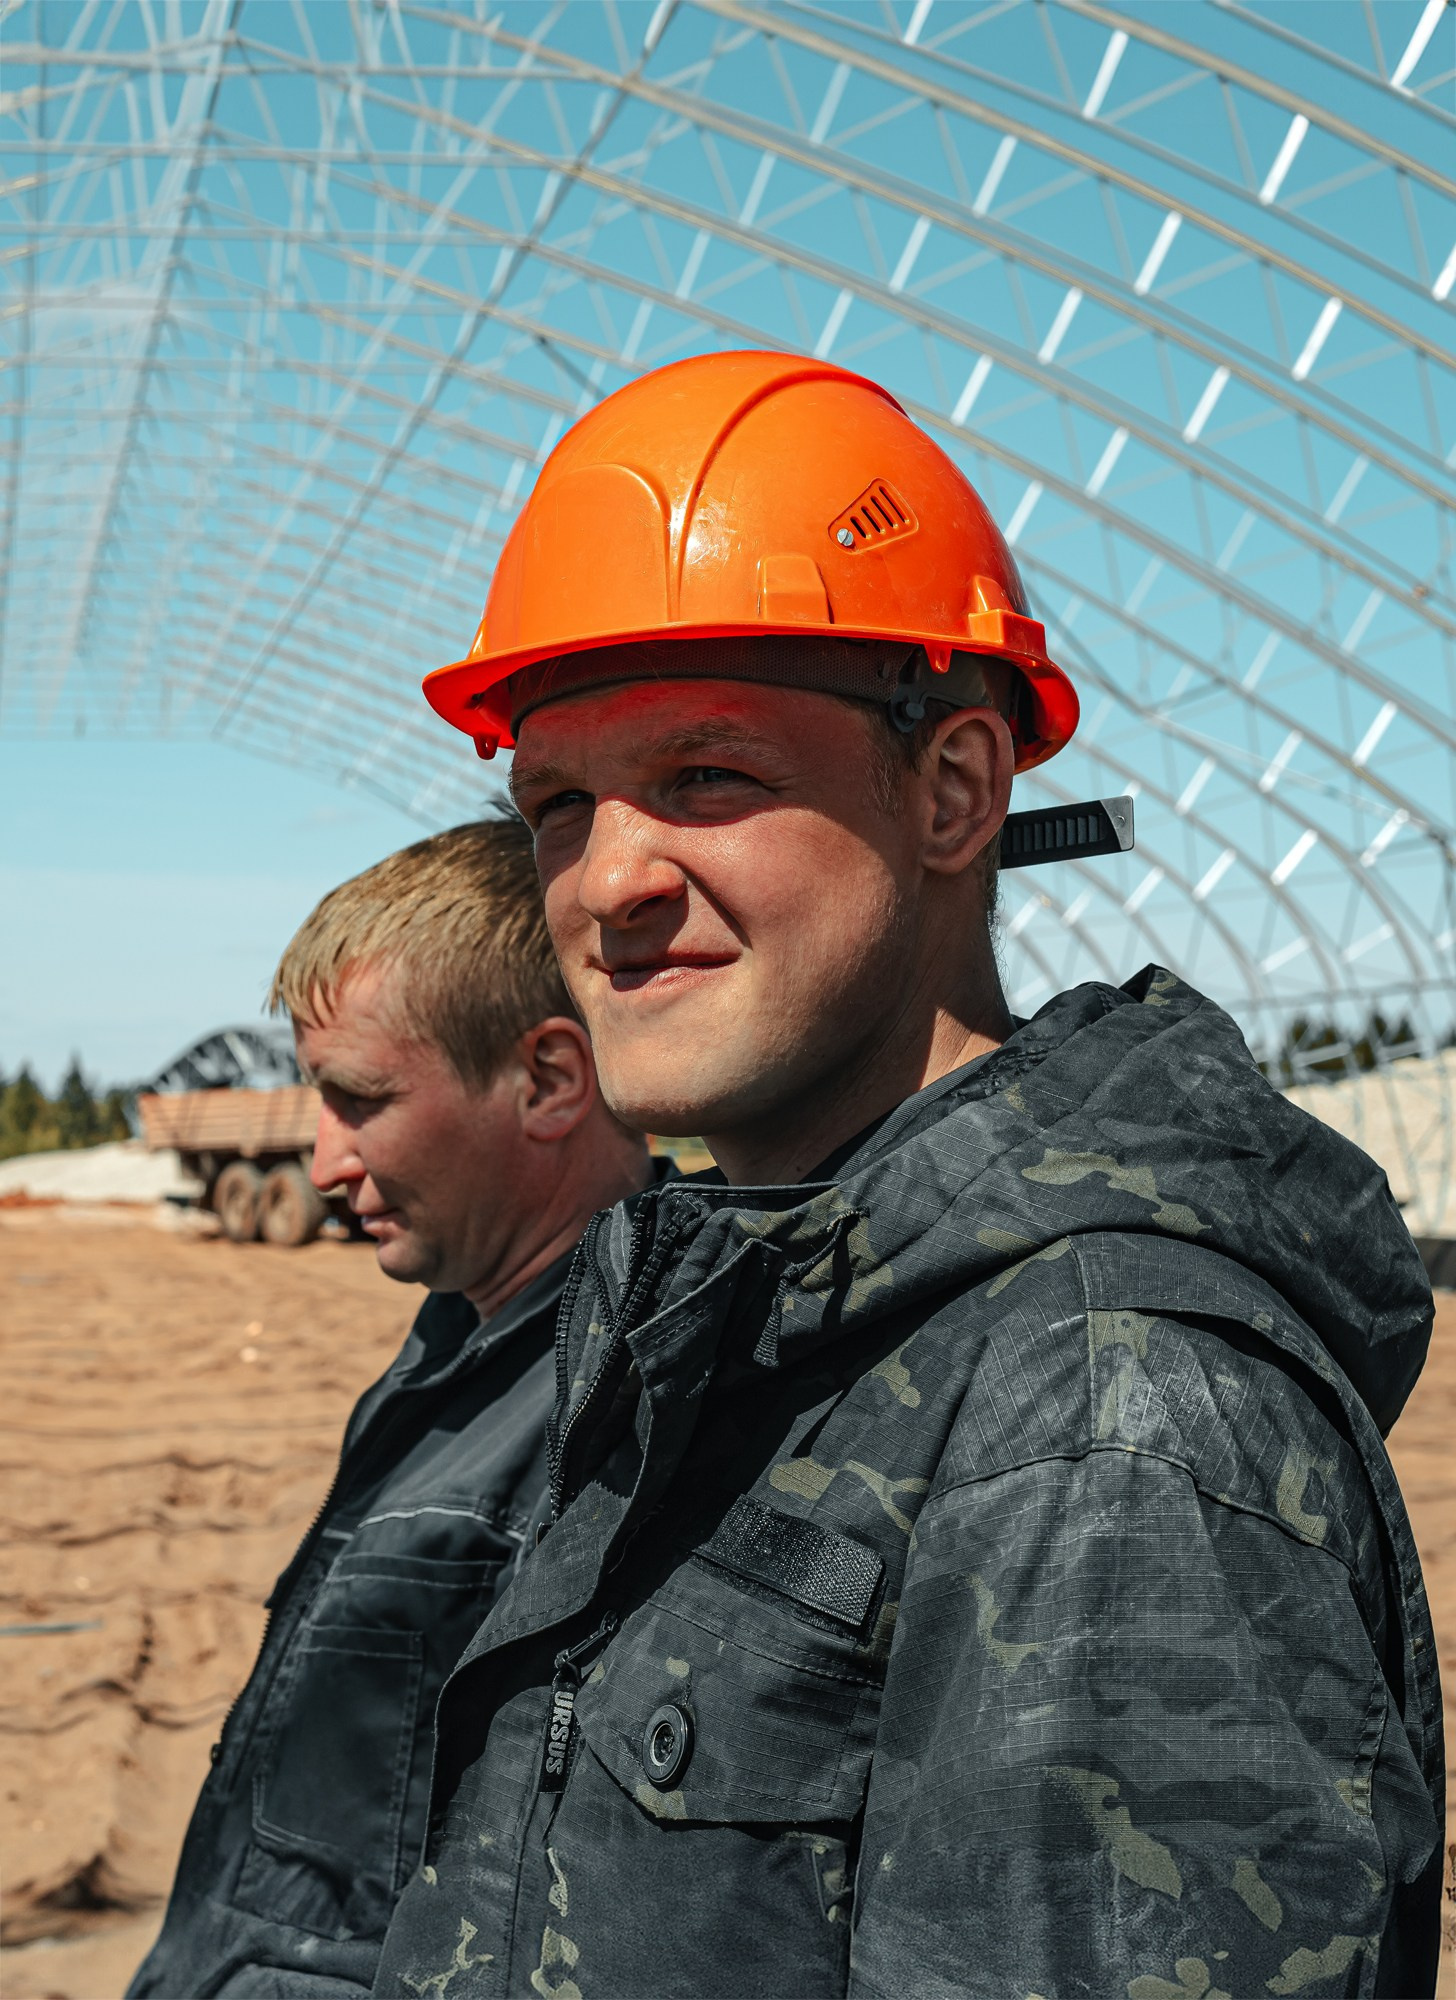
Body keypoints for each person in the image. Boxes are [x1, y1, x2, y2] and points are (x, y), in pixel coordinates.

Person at [368, 353, 1444, 2000]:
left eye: (706, 779)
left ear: (951, 791)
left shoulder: (1100, 1416)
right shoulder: (742, 1318)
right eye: (558, 804)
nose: (608, 882)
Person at [129, 817, 651, 2000]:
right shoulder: (460, 1347)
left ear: (549, 1079)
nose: (320, 1163)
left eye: (359, 1099)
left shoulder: (611, 1418)